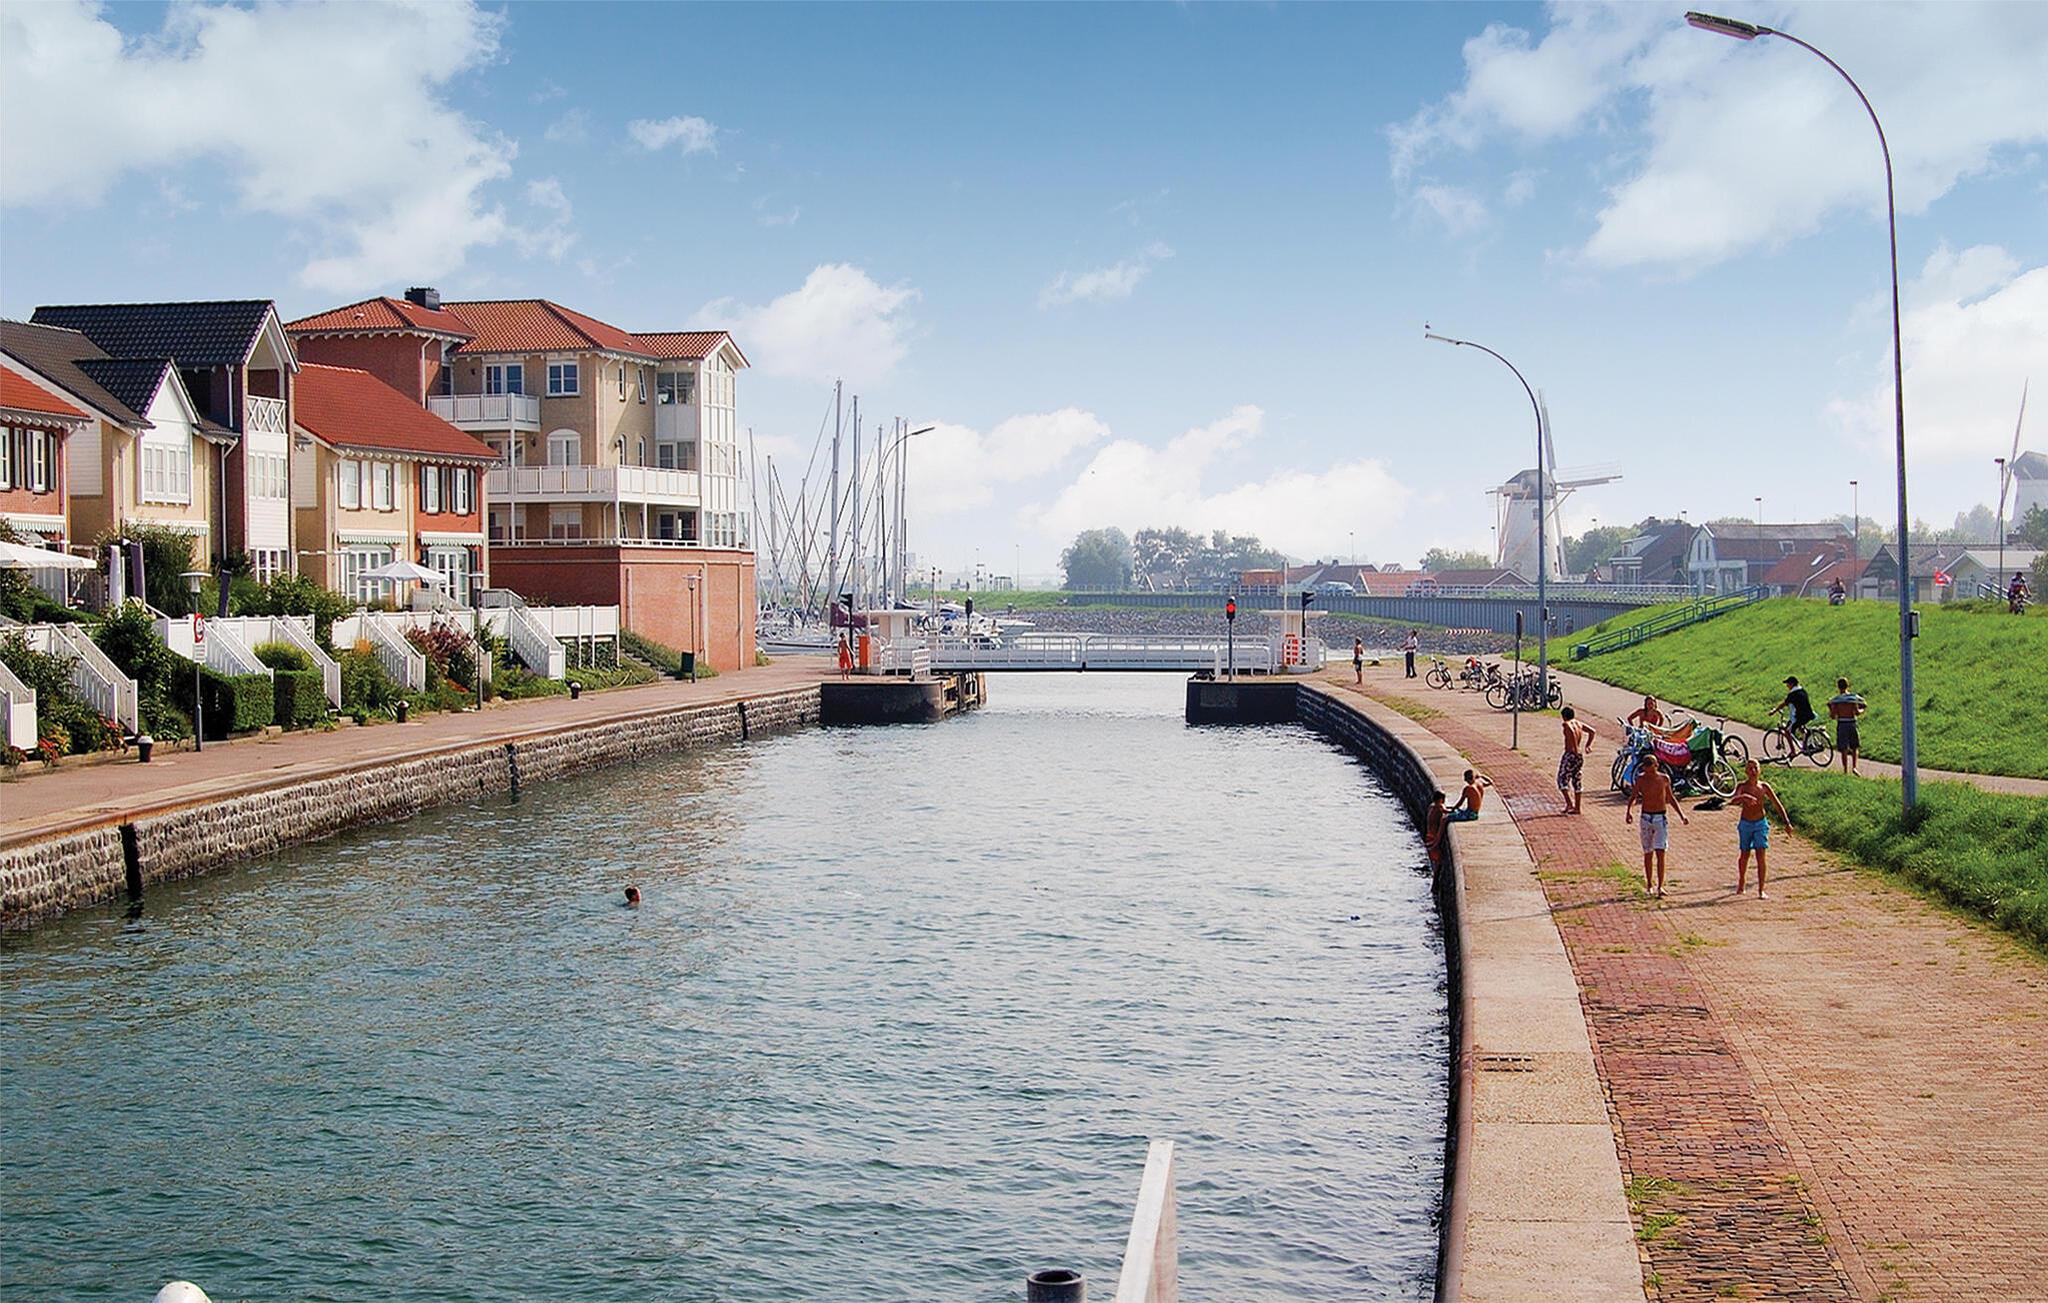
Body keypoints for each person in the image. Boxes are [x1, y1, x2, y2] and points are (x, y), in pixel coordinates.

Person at [1624, 760, 1688, 898]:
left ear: (1656, 766)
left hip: (1660, 817)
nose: (1648, 771)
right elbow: (1634, 796)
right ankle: (1649, 884)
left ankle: (1660, 886)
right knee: (1648, 852)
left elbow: (1670, 798)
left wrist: (1681, 815)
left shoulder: (1664, 779)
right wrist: (1629, 811)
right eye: (1646, 768)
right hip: (1646, 817)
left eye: (1650, 767)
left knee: (1661, 852)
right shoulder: (1641, 779)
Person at [1730, 760, 1791, 898]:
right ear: (1746, 771)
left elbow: (1777, 804)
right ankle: (1741, 880)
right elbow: (1733, 800)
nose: (1753, 771)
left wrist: (1786, 822)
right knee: (1745, 854)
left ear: (1760, 770)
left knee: (1761, 855)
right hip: (1746, 823)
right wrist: (1743, 797)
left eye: (1755, 768)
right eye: (1750, 768)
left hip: (1760, 823)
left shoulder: (1764, 786)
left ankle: (1761, 889)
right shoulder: (1742, 786)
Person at [1557, 706, 1595, 814]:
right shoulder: (1579, 723)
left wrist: (1574, 747)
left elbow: (1571, 731)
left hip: (1570, 754)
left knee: (1562, 779)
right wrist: (1588, 745)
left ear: (1564, 716)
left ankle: (1569, 803)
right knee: (1576, 780)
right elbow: (1592, 731)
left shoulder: (1567, 724)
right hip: (1579, 756)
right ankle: (1577, 808)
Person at [1827, 676, 1867, 775]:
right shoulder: (1853, 699)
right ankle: (1854, 767)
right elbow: (1857, 712)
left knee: (1844, 748)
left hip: (1842, 723)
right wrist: (1863, 710)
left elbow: (1833, 715)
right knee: (1854, 746)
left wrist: (1830, 709)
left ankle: (1845, 769)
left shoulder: (1836, 700)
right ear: (1848, 685)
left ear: (1838, 687)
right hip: (1852, 722)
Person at [1773, 675, 1815, 750]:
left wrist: (1774, 710)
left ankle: (1793, 751)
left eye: (1788, 684)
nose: (1787, 686)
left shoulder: (1793, 694)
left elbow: (1784, 703)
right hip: (1809, 714)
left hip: (1800, 716)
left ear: (1792, 684)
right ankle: (1806, 744)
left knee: (1787, 732)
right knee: (1800, 726)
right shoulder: (1802, 691)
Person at [1423, 788, 1448, 861]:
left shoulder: (1431, 806)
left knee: (1432, 858)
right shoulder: (1440, 807)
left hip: (1428, 835)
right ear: (1441, 799)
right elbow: (1446, 811)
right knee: (1436, 859)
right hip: (1434, 836)